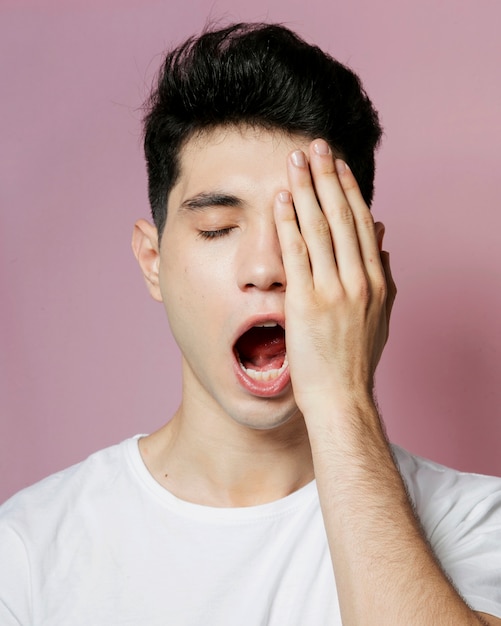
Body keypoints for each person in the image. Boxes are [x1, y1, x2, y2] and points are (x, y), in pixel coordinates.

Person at [0, 22, 500, 626]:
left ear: (363, 262)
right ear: (153, 263)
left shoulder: (476, 521)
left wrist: (340, 400)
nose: (265, 268)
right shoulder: (28, 551)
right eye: (217, 229)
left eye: (306, 227)